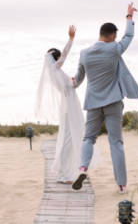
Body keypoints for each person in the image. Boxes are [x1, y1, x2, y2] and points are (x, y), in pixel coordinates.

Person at [71, 2, 138, 194]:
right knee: (116, 143)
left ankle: (83, 168)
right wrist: (129, 17)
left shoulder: (84, 54)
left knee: (88, 138)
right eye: (114, 37)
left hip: (93, 103)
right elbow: (129, 36)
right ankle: (121, 185)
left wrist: (67, 84)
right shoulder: (114, 49)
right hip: (113, 102)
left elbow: (77, 80)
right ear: (111, 36)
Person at [36, 25, 101, 184]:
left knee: (72, 138)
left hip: (70, 104)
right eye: (59, 59)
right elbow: (64, 55)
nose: (61, 61)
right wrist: (71, 39)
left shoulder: (56, 72)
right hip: (69, 106)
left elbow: (70, 85)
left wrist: (75, 81)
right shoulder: (55, 68)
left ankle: (72, 170)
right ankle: (65, 174)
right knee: (68, 139)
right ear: (56, 59)